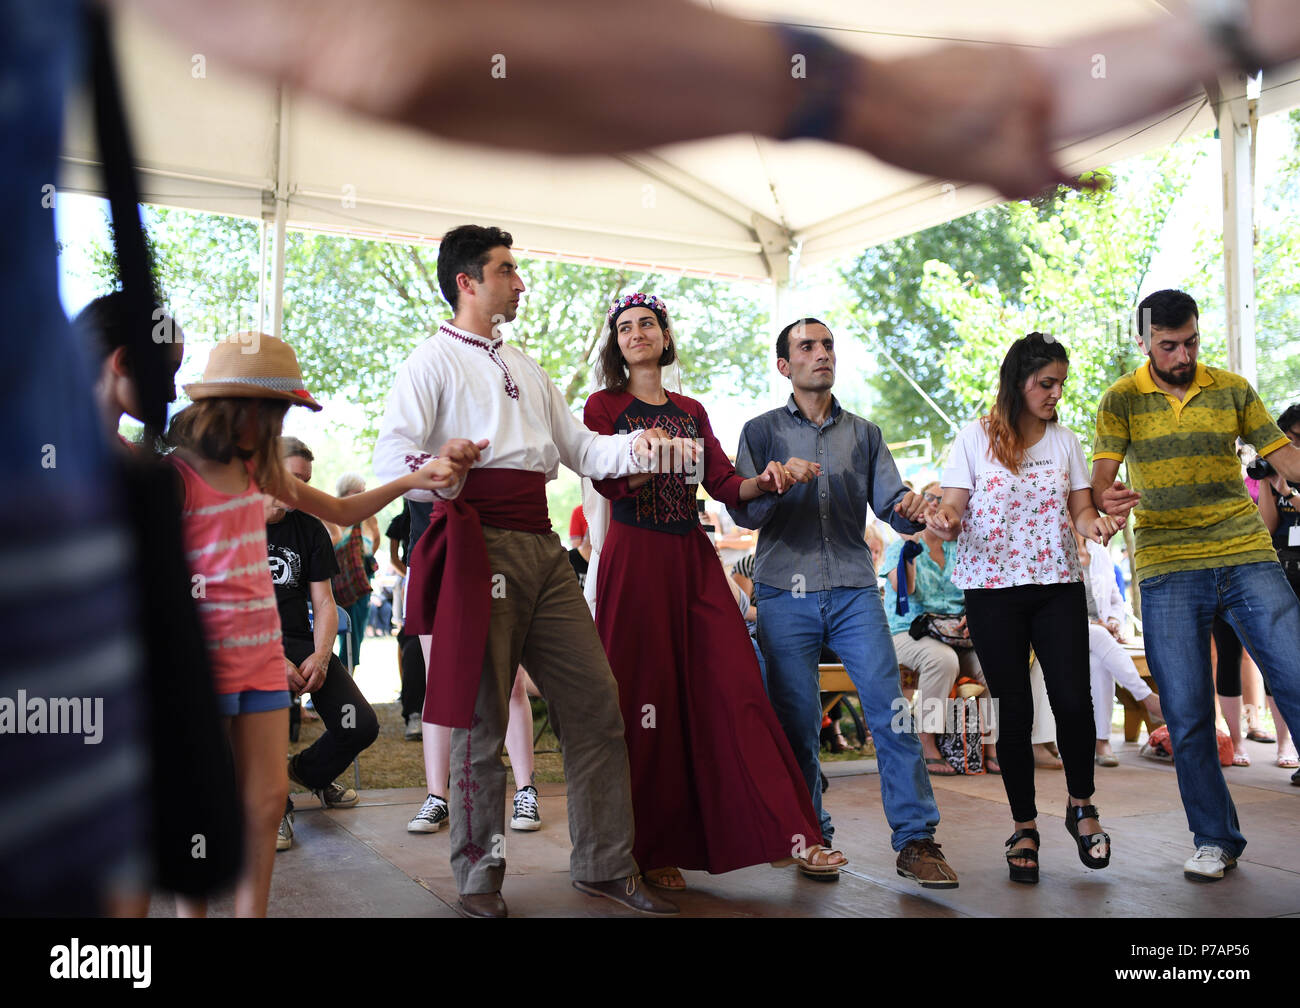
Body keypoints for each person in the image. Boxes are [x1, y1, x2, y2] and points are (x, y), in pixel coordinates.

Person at [373, 225, 691, 918]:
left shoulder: (527, 363)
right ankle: (479, 879)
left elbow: (583, 450)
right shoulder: (429, 362)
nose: (520, 282)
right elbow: (390, 459)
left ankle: (605, 865)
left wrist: (639, 443)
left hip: (544, 548)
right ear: (468, 281)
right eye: (507, 270)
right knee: (482, 721)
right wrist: (438, 468)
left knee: (596, 703)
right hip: (475, 544)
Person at [167, 333, 461, 916]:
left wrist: (411, 480)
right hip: (203, 662)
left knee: (268, 796)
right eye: (270, 410)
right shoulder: (179, 478)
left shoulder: (267, 476)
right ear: (228, 407)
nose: (276, 424)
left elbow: (345, 511)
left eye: (282, 413)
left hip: (262, 661)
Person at [584, 292, 834, 889]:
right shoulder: (604, 405)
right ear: (617, 344)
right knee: (646, 704)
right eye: (625, 327)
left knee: (738, 686)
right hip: (636, 556)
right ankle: (651, 848)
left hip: (691, 556)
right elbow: (606, 478)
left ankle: (787, 834)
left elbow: (724, 482)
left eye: (648, 324)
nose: (638, 333)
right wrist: (662, 457)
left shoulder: (691, 409)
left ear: (665, 338)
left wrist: (769, 478)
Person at [729, 318, 959, 890]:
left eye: (828, 344)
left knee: (892, 713)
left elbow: (890, 506)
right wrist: (775, 483)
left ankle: (916, 841)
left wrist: (912, 506)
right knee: (797, 723)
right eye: (807, 347)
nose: (821, 354)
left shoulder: (865, 433)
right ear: (785, 366)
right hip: (785, 591)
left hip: (856, 590)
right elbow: (742, 509)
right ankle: (810, 836)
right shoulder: (759, 432)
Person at [1091, 289, 1300, 880]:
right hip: (1166, 563)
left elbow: (1284, 457)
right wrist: (1108, 500)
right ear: (1143, 342)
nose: (1182, 356)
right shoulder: (1121, 399)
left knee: (1295, 674)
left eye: (1191, 343)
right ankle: (1215, 838)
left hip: (1243, 550)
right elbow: (1102, 480)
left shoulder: (1231, 387)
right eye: (1168, 346)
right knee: (1184, 711)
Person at [931, 332, 1118, 885]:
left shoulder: (1067, 442)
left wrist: (1099, 525)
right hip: (991, 590)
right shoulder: (973, 438)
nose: (1056, 393)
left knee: (1073, 700)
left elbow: (1081, 513)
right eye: (1045, 383)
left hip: (1057, 584)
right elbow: (954, 509)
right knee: (1013, 708)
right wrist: (944, 520)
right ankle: (1024, 826)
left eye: (1061, 383)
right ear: (1018, 382)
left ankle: (1081, 807)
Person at [266, 437, 381, 852]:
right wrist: (268, 657)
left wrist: (320, 656)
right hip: (249, 647)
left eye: (307, 481)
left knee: (360, 724)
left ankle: (308, 773)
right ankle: (275, 809)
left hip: (301, 644)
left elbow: (325, 603)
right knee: (268, 721)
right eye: (294, 478)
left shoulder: (309, 527)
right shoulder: (234, 522)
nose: (302, 490)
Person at [882, 480, 994, 775]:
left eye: (946, 501)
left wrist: (974, 615)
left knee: (994, 661)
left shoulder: (963, 548)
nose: (937, 506)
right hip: (908, 631)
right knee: (942, 660)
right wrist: (911, 547)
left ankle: (990, 744)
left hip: (955, 633)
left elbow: (978, 593)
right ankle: (925, 741)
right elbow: (904, 588)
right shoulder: (902, 547)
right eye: (932, 498)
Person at [1076, 531, 1163, 766]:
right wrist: (1099, 626)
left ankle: (1101, 741)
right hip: (1065, 630)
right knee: (1099, 636)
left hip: (1098, 638)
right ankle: (1146, 698)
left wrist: (1114, 621)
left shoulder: (1099, 551)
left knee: (1099, 663)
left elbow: (1115, 599)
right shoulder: (1056, 552)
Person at [326, 473, 382, 670]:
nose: (362, 496)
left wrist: (358, 563)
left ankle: (347, 678)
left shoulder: (369, 518)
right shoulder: (330, 513)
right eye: (357, 492)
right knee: (327, 635)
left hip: (359, 583)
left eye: (364, 491)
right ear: (344, 493)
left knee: (354, 635)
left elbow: (375, 542)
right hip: (331, 583)